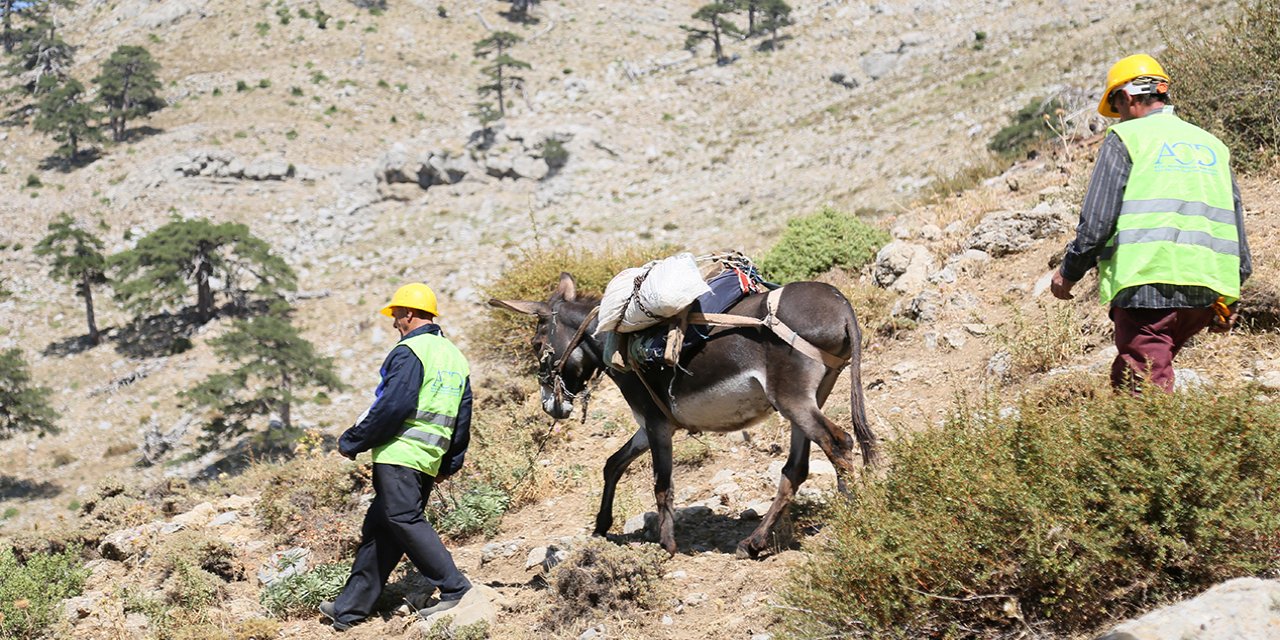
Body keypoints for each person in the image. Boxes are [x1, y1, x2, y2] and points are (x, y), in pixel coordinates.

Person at [1051, 54, 1251, 392]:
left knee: (1144, 391)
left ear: (1126, 97)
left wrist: (1067, 273)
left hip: (1147, 286)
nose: (1119, 115)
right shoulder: (1212, 145)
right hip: (1205, 291)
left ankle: (1161, 443)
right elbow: (1235, 224)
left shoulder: (1127, 138)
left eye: (1116, 105)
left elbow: (1097, 223)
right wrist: (1232, 291)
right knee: (1133, 376)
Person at [320, 283, 473, 631]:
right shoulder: (454, 356)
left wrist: (353, 441)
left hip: (400, 453)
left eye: (395, 316)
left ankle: (455, 586)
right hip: (428, 456)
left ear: (407, 314)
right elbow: (463, 416)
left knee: (403, 519)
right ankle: (349, 609)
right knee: (381, 528)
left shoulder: (410, 351)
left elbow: (393, 405)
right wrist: (450, 462)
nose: (394, 324)